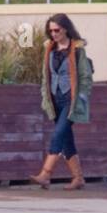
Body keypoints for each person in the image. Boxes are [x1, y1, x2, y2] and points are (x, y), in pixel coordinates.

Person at [29, 13, 94, 191]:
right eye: (51, 31)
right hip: (54, 99)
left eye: (57, 30)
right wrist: (45, 97)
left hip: (70, 101)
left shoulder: (77, 49)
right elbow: (45, 76)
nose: (54, 34)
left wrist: (81, 98)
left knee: (58, 134)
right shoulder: (49, 48)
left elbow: (85, 77)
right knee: (66, 139)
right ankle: (78, 178)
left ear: (65, 29)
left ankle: (45, 173)